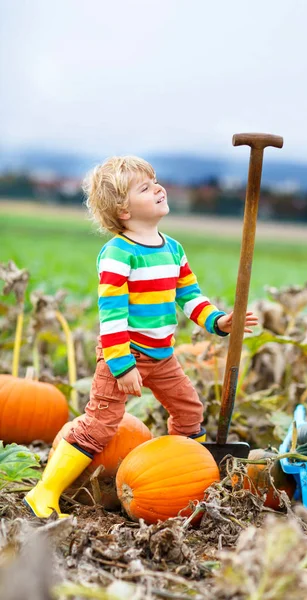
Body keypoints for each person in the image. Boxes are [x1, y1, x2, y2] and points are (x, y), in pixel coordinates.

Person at [25, 156, 258, 518]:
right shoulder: (118, 254)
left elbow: (189, 296)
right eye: (145, 188)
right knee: (99, 426)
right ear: (123, 210)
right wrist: (121, 364)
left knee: (188, 409)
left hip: (162, 355)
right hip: (126, 353)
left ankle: (182, 475)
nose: (158, 188)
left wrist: (218, 321)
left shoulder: (173, 248)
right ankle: (44, 492)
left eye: (156, 181)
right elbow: (112, 315)